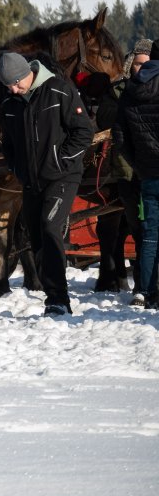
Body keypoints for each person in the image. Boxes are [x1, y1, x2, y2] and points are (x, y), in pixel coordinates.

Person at [0, 51, 95, 316]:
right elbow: (8, 144)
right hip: (31, 180)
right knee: (37, 235)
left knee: (50, 227)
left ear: (27, 74)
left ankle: (58, 298)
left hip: (62, 176)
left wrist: (60, 160)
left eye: (17, 84)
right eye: (9, 87)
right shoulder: (10, 104)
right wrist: (17, 167)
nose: (14, 90)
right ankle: (50, 285)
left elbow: (84, 132)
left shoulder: (60, 91)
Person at [96, 38, 150, 295]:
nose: (143, 69)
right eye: (139, 64)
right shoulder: (118, 91)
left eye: (148, 64)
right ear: (130, 66)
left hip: (152, 168)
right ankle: (143, 286)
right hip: (127, 170)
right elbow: (104, 118)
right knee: (139, 228)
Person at [111, 39, 159, 309]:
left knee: (149, 235)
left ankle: (146, 289)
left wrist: (139, 164)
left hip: (147, 174)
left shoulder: (129, 91)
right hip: (144, 173)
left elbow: (120, 136)